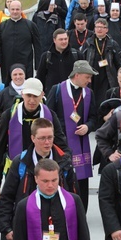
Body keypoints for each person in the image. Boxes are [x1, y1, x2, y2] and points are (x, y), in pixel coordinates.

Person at [0, 119, 77, 240]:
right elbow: (7, 197)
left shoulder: (64, 162)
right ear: (33, 138)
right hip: (28, 220)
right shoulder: (21, 163)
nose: (47, 142)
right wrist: (6, 226)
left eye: (50, 137)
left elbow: (74, 195)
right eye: (42, 138)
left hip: (56, 218)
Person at [0, 77, 68, 201]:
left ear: (42, 95)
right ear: (22, 94)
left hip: (45, 174)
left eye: (35, 96)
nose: (31, 100)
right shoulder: (9, 116)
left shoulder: (50, 116)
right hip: (18, 173)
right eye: (28, 95)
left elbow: (62, 146)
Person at [46, 61, 99, 212]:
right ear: (77, 75)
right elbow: (48, 116)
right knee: (62, 176)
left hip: (82, 144)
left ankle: (82, 211)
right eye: (87, 77)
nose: (89, 81)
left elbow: (94, 118)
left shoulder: (89, 93)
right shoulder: (57, 89)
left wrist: (88, 126)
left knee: (81, 180)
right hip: (61, 145)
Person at [0, 0, 41, 84]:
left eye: (17, 9)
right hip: (7, 64)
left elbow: (38, 46)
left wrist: (38, 65)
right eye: (13, 9)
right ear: (9, 10)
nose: (15, 12)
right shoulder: (2, 26)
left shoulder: (30, 25)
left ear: (21, 10)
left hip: (26, 64)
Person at [81, 18, 121, 105]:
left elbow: (118, 62)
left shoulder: (112, 44)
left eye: (102, 27)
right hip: (92, 78)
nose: (99, 29)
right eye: (97, 27)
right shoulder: (88, 43)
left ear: (106, 29)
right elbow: (82, 60)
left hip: (107, 77)